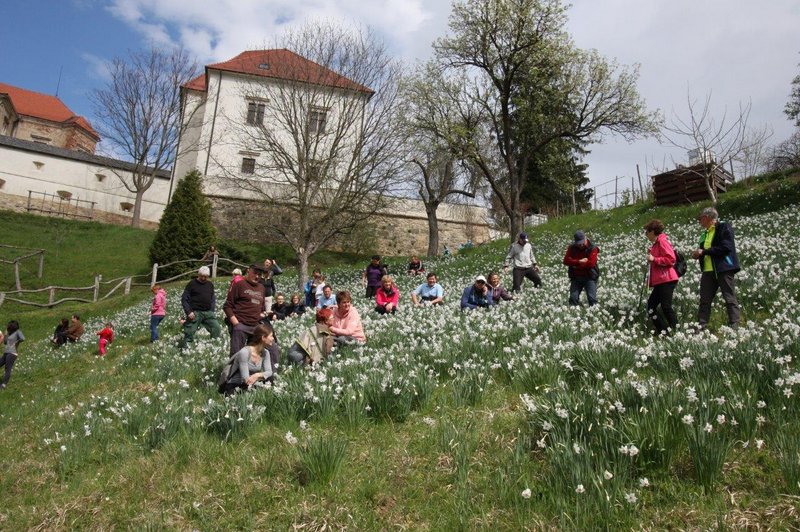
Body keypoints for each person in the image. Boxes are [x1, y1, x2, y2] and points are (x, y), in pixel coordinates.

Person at [691, 207, 741, 330]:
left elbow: (726, 247)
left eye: (700, 218)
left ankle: (734, 325)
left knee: (729, 297)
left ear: (707, 217)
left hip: (723, 268)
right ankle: (701, 326)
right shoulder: (705, 233)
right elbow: (705, 252)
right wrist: (698, 255)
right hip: (708, 271)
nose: (699, 221)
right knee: (704, 300)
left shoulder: (723, 227)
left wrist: (704, 252)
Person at [224, 263, 276, 368]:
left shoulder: (261, 287)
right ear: (248, 271)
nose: (257, 276)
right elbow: (227, 306)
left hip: (256, 325)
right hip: (241, 324)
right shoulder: (239, 284)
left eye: (259, 274)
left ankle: (271, 376)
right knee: (237, 352)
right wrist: (236, 323)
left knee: (272, 347)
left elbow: (261, 307)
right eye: (255, 273)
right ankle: (233, 375)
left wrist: (264, 313)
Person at [219, 323, 275, 396]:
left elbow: (269, 372)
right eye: (271, 336)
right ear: (263, 338)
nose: (273, 338)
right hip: (236, 385)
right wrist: (261, 380)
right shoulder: (244, 352)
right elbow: (245, 380)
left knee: (270, 379)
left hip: (252, 383)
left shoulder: (265, 353)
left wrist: (257, 375)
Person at [644, 219, 679, 335]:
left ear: (653, 231)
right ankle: (665, 331)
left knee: (665, 306)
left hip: (667, 279)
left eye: (647, 232)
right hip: (660, 281)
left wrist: (654, 259)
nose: (646, 235)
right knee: (651, 307)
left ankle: (675, 331)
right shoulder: (656, 244)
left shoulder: (663, 242)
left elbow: (671, 259)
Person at [180, 266, 222, 347]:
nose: (203, 278)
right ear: (198, 274)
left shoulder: (210, 285)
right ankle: (185, 350)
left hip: (208, 312)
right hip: (195, 312)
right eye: (201, 276)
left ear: (208, 276)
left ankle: (213, 347)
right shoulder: (192, 284)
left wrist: (212, 310)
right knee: (189, 331)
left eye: (205, 276)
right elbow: (184, 299)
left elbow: (212, 298)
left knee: (216, 328)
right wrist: (188, 312)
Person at [563, 230, 599, 306]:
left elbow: (591, 264)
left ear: (585, 238)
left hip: (589, 276)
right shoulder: (572, 247)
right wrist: (579, 261)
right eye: (578, 243)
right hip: (576, 277)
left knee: (591, 298)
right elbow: (566, 261)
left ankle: (593, 313)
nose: (580, 245)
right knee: (573, 298)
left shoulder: (593, 248)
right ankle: (573, 314)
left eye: (582, 242)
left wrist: (574, 264)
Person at [1, 320, 24, 389]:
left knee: (7, 368)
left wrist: (16, 342)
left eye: (8, 325)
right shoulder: (9, 333)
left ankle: (3, 385)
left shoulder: (18, 332)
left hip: (12, 354)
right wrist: (5, 335)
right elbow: (5, 342)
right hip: (6, 353)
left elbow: (23, 338)